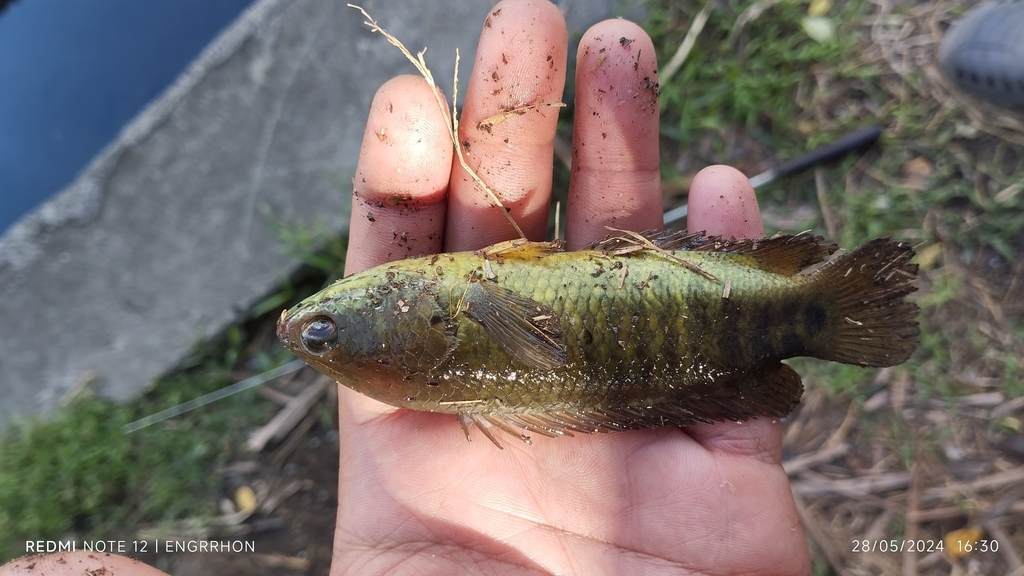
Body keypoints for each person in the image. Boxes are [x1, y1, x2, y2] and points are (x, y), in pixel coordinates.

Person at [0, 1, 811, 574]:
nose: (303, 327)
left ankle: (806, 305)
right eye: (323, 331)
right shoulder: (432, 324)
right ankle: (806, 309)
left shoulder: (423, 356)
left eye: (319, 331)